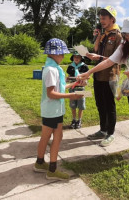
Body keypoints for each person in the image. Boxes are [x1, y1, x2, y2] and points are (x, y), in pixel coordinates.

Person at [78, 16, 129, 165]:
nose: (126, 35)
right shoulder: (125, 44)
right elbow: (110, 61)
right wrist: (89, 72)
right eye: (125, 32)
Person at [34, 38, 84, 180]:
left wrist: (74, 83)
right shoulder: (51, 70)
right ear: (53, 54)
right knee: (57, 137)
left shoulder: (53, 67)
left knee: (45, 136)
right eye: (61, 54)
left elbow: (59, 88)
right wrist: (71, 96)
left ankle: (39, 163)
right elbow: (51, 93)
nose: (63, 56)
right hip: (53, 110)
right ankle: (52, 170)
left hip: (50, 110)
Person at [85, 5, 122, 147]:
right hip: (98, 74)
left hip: (110, 76)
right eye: (100, 18)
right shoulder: (104, 34)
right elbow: (96, 49)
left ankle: (110, 133)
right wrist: (98, 38)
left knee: (109, 106)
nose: (101, 21)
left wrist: (98, 56)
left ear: (112, 19)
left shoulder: (117, 35)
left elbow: (117, 58)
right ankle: (103, 130)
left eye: (104, 18)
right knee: (100, 104)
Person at [66, 51, 89, 129]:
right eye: (75, 57)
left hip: (81, 89)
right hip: (72, 88)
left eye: (78, 57)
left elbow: (87, 77)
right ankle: (73, 120)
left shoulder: (84, 67)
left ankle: (79, 120)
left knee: (81, 105)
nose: (76, 58)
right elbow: (69, 77)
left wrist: (84, 79)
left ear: (81, 58)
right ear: (72, 58)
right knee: (73, 105)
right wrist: (67, 79)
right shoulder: (70, 67)